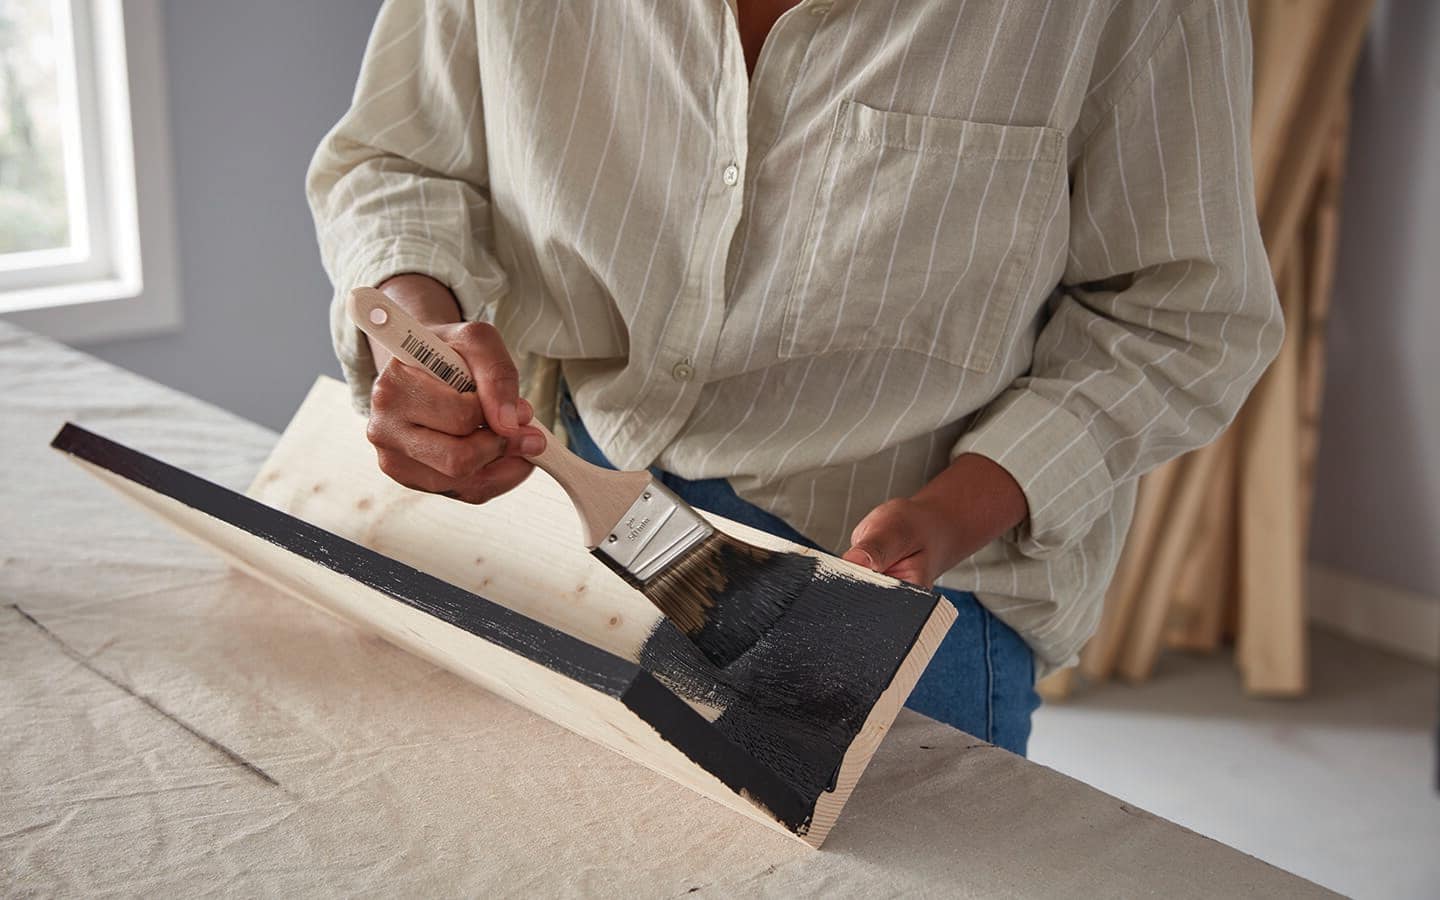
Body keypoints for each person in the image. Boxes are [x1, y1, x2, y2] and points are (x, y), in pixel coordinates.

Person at [307, 0, 1281, 756]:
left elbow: (1180, 317)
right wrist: (417, 329)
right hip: (574, 503)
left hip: (905, 586)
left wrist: (956, 509)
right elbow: (396, 163)